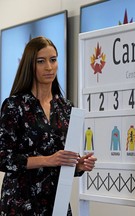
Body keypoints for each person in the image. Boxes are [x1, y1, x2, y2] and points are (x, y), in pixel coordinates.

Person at [0, 36, 96, 215]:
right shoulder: (14, 105)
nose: (49, 67)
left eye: (53, 60)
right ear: (30, 65)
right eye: (41, 61)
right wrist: (48, 159)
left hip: (56, 200)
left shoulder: (66, 107)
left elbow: (61, 158)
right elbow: (4, 158)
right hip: (21, 202)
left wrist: (77, 166)